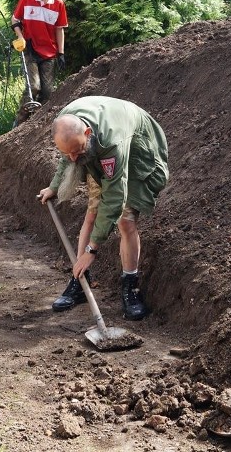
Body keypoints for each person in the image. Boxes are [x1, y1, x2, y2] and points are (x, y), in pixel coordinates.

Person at [38, 96, 169, 321]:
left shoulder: (113, 142)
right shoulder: (68, 127)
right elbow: (68, 156)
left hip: (136, 150)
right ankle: (80, 281)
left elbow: (115, 197)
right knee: (92, 214)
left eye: (77, 152)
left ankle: (131, 288)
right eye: (68, 152)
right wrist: (54, 186)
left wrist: (92, 250)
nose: (72, 158)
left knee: (125, 221)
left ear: (87, 134)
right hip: (98, 148)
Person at [11, 0, 68, 126]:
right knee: (34, 87)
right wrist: (20, 36)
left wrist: (61, 53)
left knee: (48, 93)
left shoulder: (58, 4)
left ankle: (36, 126)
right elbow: (15, 19)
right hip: (30, 48)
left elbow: (59, 29)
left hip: (49, 52)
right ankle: (20, 122)